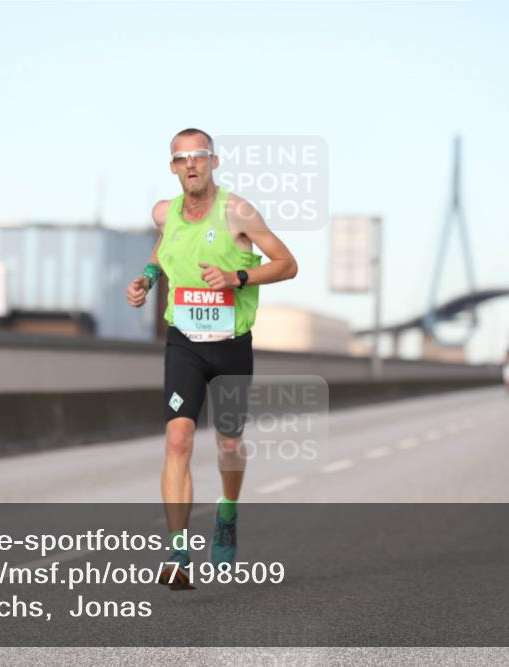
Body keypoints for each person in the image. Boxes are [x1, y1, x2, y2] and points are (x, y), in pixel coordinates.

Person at [126, 128, 298, 589]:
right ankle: (178, 551)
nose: (191, 165)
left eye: (199, 157)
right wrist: (144, 278)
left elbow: (287, 263)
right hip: (184, 341)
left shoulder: (238, 211)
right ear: (172, 167)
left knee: (227, 445)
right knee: (178, 441)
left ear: (213, 162)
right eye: (181, 159)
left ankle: (227, 511)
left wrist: (236, 276)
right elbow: (164, 250)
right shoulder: (165, 213)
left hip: (231, 345)